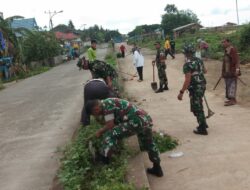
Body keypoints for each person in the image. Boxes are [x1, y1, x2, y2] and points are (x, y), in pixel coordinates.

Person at [85, 98, 164, 177]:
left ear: (96, 109)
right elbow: (114, 121)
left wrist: (99, 132)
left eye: (94, 114)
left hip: (135, 121)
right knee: (149, 143)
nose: (96, 116)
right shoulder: (107, 103)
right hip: (144, 119)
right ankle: (157, 168)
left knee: (111, 134)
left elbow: (110, 125)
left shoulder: (106, 105)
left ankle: (104, 160)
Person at [177, 43, 209, 135]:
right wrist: (198, 72)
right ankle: (203, 122)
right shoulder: (199, 60)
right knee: (198, 104)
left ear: (186, 53)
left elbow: (187, 80)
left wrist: (181, 92)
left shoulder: (187, 65)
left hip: (195, 88)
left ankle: (202, 128)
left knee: (196, 107)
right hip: (202, 85)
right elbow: (205, 71)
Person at [221, 38, 240, 106]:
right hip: (227, 72)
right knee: (228, 85)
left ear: (228, 42)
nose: (223, 43)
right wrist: (223, 72)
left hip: (232, 71)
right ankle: (230, 99)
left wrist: (237, 70)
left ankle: (233, 100)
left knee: (232, 85)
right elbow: (225, 62)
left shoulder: (232, 49)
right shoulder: (226, 50)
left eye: (224, 42)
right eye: (222, 42)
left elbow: (237, 60)